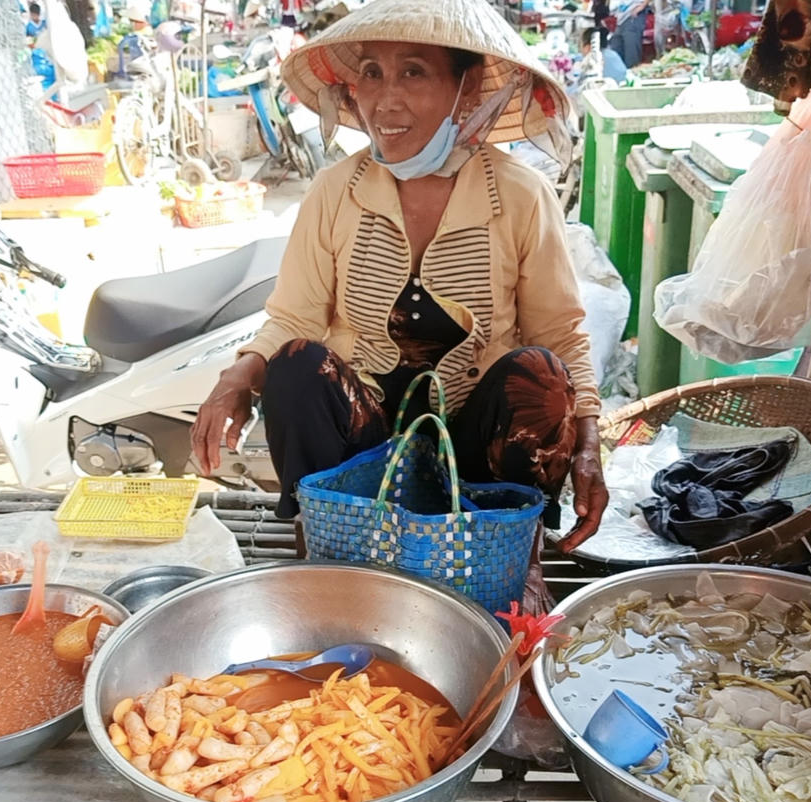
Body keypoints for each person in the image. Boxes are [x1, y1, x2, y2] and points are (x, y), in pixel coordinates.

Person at [191, 0, 608, 568]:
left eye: (413, 71)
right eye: (372, 72)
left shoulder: (519, 194)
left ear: (465, 89)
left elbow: (561, 333)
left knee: (542, 374)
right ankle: (331, 548)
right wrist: (238, 375)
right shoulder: (336, 190)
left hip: (473, 449)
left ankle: (498, 555)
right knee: (293, 365)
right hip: (365, 447)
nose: (385, 99)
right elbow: (294, 316)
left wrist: (588, 443)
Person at [608, 0, 649, 69]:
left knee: (631, 54)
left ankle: (632, 78)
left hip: (633, 18)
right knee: (616, 49)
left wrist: (642, 6)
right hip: (620, 19)